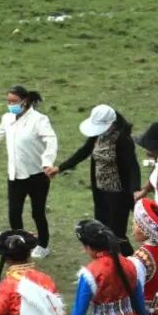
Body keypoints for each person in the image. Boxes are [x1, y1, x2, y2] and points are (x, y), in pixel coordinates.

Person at [0, 85, 58, 258]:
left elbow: (51, 140)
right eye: (8, 101)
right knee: (14, 212)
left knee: (37, 212)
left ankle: (43, 245)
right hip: (15, 175)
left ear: (24, 101)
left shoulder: (39, 120)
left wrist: (47, 163)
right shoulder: (8, 118)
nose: (10, 104)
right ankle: (19, 245)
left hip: (37, 175)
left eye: (14, 101)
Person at [47, 105, 140, 255]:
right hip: (101, 192)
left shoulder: (123, 140)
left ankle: (132, 265)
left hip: (118, 194)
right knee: (101, 232)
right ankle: (108, 264)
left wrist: (135, 190)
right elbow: (84, 151)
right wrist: (60, 168)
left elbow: (132, 166)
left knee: (117, 235)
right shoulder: (98, 135)